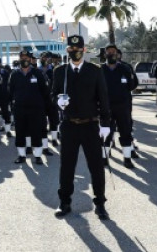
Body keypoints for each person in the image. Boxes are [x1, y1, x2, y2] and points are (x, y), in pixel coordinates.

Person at [51, 34, 111, 220]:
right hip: (69, 125)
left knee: (96, 166)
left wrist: (106, 124)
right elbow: (53, 94)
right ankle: (64, 202)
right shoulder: (60, 71)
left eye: (78, 49)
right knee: (67, 166)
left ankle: (100, 203)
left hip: (90, 125)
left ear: (84, 50)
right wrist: (58, 101)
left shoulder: (95, 70)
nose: (75, 51)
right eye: (71, 49)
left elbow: (103, 98)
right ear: (67, 50)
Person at [101, 44, 139, 168]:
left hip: (122, 106)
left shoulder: (125, 68)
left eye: (114, 51)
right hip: (106, 107)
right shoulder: (100, 70)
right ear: (105, 54)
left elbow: (133, 84)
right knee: (106, 132)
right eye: (109, 52)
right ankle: (104, 158)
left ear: (117, 54)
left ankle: (127, 158)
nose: (111, 53)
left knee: (125, 131)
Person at [8, 50, 49, 164]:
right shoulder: (14, 74)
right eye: (22, 57)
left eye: (26, 58)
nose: (24, 60)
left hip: (35, 108)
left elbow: (44, 90)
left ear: (30, 59)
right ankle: (21, 155)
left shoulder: (37, 73)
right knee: (20, 131)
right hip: (19, 108)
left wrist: (42, 105)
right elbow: (10, 91)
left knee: (36, 131)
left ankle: (38, 156)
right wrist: (12, 104)